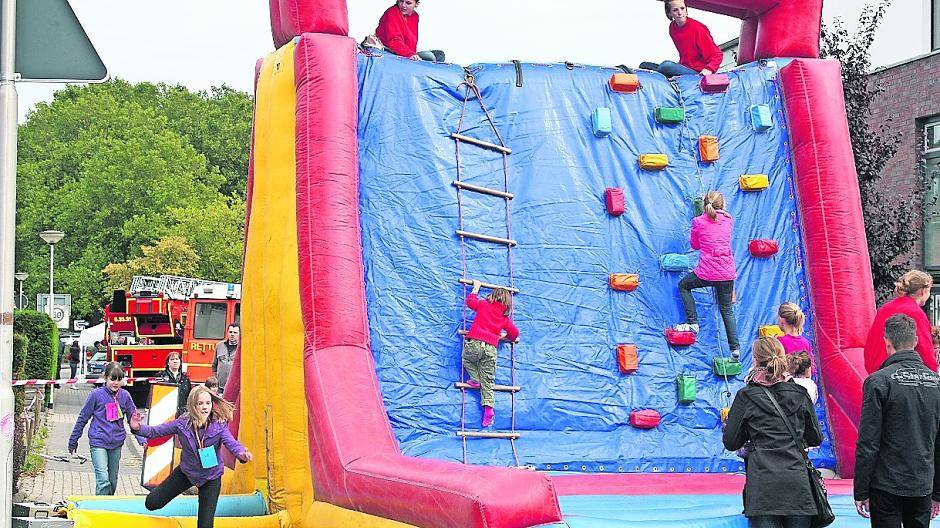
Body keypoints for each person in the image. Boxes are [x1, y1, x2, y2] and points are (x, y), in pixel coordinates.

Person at [723, 337, 823, 527]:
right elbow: (815, 436)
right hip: (797, 483)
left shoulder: (747, 396)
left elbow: (731, 442)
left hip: (763, 486)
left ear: (755, 360)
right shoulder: (800, 393)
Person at [854, 313, 940, 527]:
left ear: (887, 342)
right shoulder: (936, 383)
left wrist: (861, 489)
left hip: (886, 483)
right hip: (921, 481)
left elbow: (868, 441)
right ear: (916, 341)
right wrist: (937, 491)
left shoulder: (878, 381)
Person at [130, 386, 252, 528]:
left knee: (205, 525)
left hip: (211, 477)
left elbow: (232, 443)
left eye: (208, 403)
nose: (205, 407)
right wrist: (137, 427)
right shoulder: (182, 424)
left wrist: (242, 454)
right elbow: (156, 431)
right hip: (187, 472)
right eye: (200, 403)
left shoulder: (219, 426)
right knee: (151, 503)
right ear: (193, 405)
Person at [675, 191, 740, 359]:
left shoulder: (698, 221)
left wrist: (699, 220)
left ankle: (693, 323)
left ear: (705, 205)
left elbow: (695, 245)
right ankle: (735, 349)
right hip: (726, 272)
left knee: (684, 286)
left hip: (707, 272)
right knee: (726, 309)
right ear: (723, 205)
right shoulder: (728, 220)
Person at [68, 362, 142, 495]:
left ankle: (108, 504)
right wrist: (73, 440)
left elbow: (134, 419)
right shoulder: (95, 394)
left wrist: (141, 439)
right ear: (105, 377)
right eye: (113, 379)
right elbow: (83, 418)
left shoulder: (125, 396)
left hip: (116, 443)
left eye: (119, 379)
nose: (116, 383)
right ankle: (99, 509)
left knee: (112, 481)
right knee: (103, 479)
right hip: (98, 442)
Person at [463, 280, 519, 428]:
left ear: (492, 296)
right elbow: (514, 333)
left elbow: (471, 302)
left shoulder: (484, 305)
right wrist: (502, 337)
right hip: (491, 349)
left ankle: (475, 378)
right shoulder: (504, 318)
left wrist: (475, 289)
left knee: (467, 360)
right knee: (488, 381)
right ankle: (488, 409)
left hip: (475, 342)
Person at [863, 270, 937, 374]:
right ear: (922, 291)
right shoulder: (916, 312)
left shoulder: (885, 309)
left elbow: (871, 344)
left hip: (877, 373)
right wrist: (932, 375)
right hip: (903, 375)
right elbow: (925, 350)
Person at [639, 0, 723, 78]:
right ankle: (662, 75)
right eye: (675, 10)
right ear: (669, 14)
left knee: (666, 66)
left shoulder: (698, 28)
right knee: (644, 65)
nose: (680, 12)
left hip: (698, 72)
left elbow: (717, 54)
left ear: (686, 10)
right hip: (684, 67)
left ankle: (659, 77)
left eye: (682, 8)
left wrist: (709, 69)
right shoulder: (673, 28)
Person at [362, 0, 445, 62]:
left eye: (408, 3)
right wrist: (409, 54)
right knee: (429, 56)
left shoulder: (415, 16)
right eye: (401, 1)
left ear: (416, 4)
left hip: (404, 52)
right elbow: (393, 41)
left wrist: (413, 55)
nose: (403, 5)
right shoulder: (392, 12)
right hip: (391, 51)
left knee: (440, 54)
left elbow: (412, 41)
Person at [777, 302, 814, 371]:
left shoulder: (779, 342)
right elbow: (811, 369)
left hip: (786, 380)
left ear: (781, 320)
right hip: (801, 380)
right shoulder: (805, 343)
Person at [159, 351, 192, 417]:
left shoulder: (185, 378)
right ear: (168, 363)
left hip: (182, 413)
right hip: (165, 413)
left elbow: (189, 397)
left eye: (177, 359)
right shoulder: (160, 376)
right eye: (172, 359)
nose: (175, 361)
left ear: (180, 362)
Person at [212, 324, 239, 392]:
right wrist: (215, 381)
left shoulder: (242, 349)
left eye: (235, 333)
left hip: (235, 388)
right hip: (220, 387)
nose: (232, 334)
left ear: (240, 334)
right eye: (230, 332)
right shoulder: (219, 346)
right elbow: (214, 365)